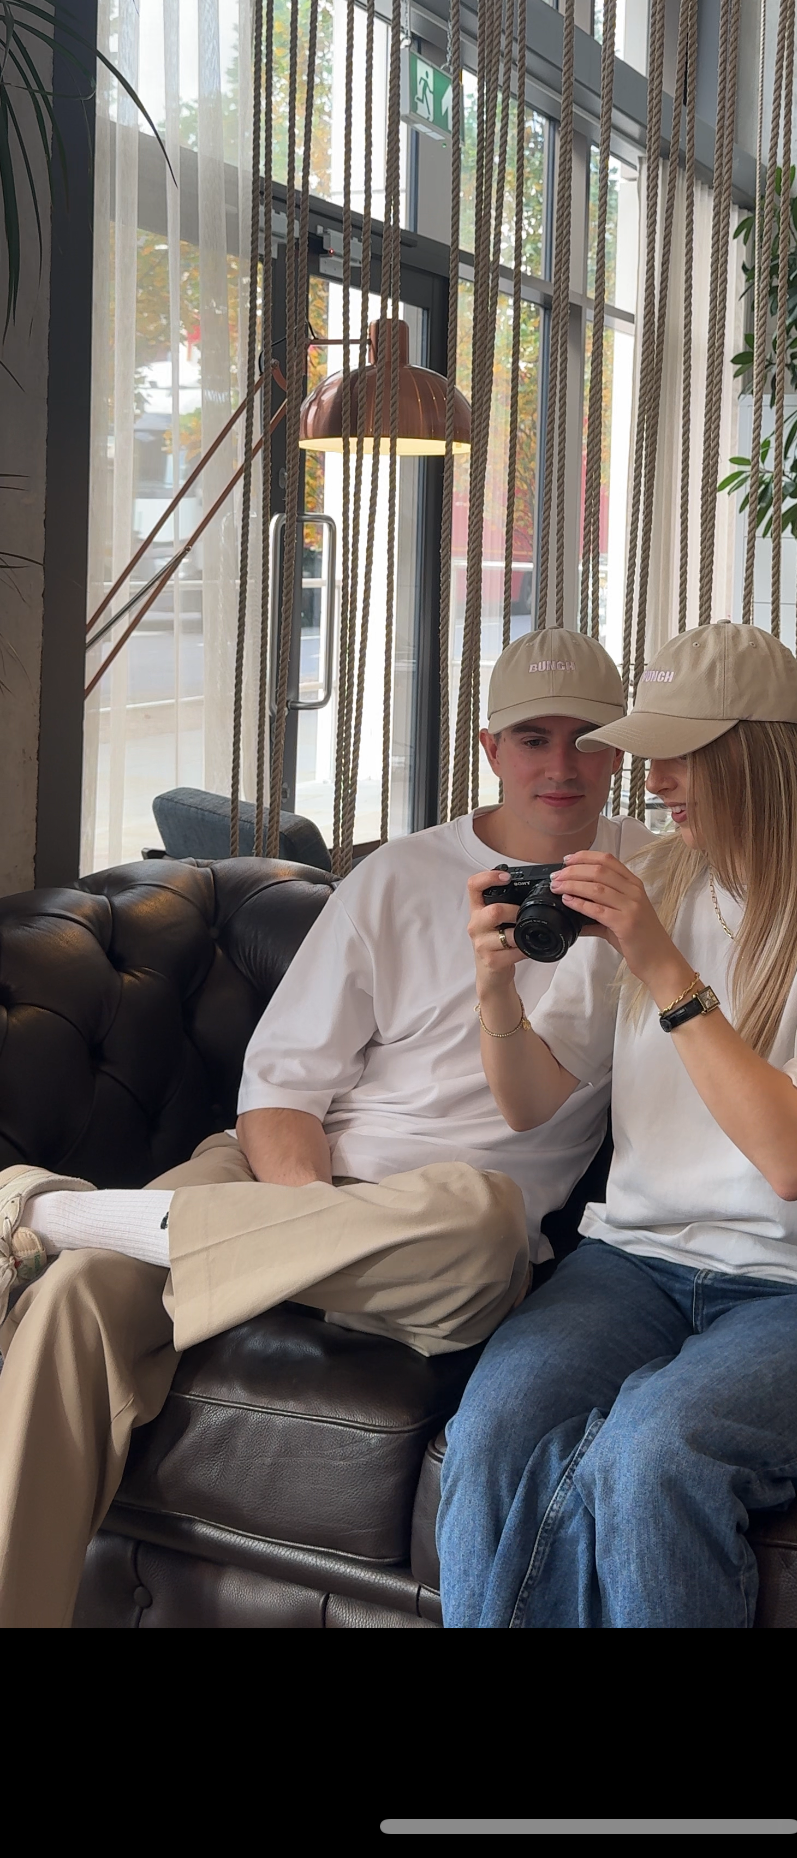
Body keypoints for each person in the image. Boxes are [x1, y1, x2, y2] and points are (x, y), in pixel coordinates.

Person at [0, 627, 650, 1629]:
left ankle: (48, 1212)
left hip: (435, 1237)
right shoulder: (401, 875)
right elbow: (280, 1087)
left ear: (622, 750)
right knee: (79, 1299)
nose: (561, 765)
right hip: (282, 1178)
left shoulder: (662, 884)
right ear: (489, 749)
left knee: (484, 1222)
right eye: (532, 738)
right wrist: (302, 1223)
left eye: (588, 737)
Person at [439, 619, 797, 1629]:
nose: (655, 777)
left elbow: (796, 1158)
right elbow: (531, 1097)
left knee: (653, 1452)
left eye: (682, 754)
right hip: (632, 1265)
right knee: (495, 1423)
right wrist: (497, 990)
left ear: (755, 756)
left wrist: (663, 963)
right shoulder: (661, 887)